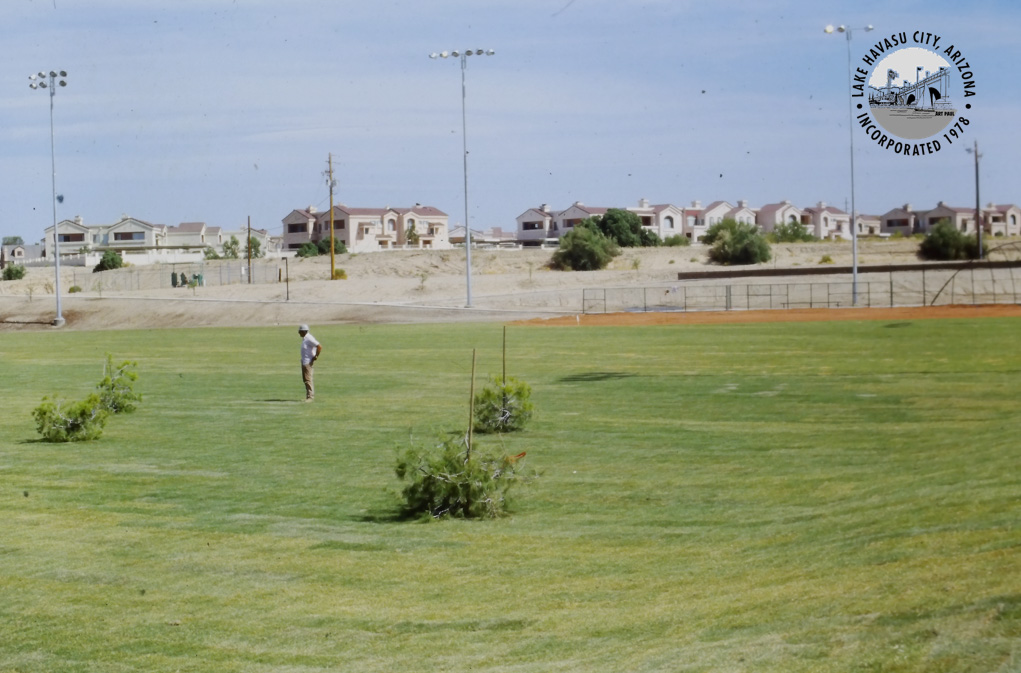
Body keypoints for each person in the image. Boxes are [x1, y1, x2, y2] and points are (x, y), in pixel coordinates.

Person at [298, 324, 322, 402]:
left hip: (308, 362)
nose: (299, 333)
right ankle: (308, 396)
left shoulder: (309, 338)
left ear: (303, 331)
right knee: (305, 379)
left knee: (308, 379)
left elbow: (319, 346)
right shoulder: (305, 339)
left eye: (300, 331)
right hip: (304, 361)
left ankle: (310, 397)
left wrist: (316, 356)